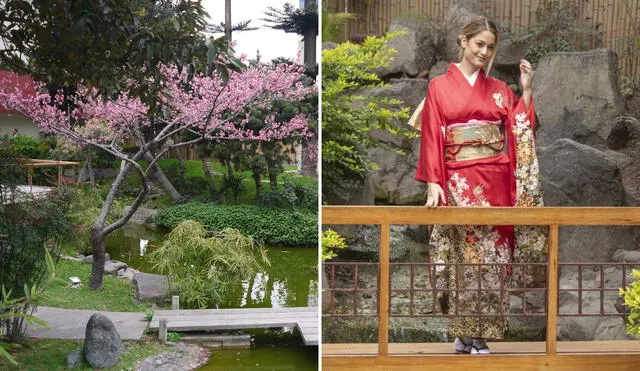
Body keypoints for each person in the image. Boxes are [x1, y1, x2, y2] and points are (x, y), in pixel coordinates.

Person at [415, 16, 544, 354]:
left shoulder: (501, 91)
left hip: (498, 182)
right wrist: (433, 181)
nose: (485, 52)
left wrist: (526, 92)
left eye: (490, 47)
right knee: (465, 257)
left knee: (495, 258)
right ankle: (466, 332)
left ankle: (480, 333)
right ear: (463, 42)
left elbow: (519, 129)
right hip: (458, 181)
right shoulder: (439, 87)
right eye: (479, 45)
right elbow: (431, 136)